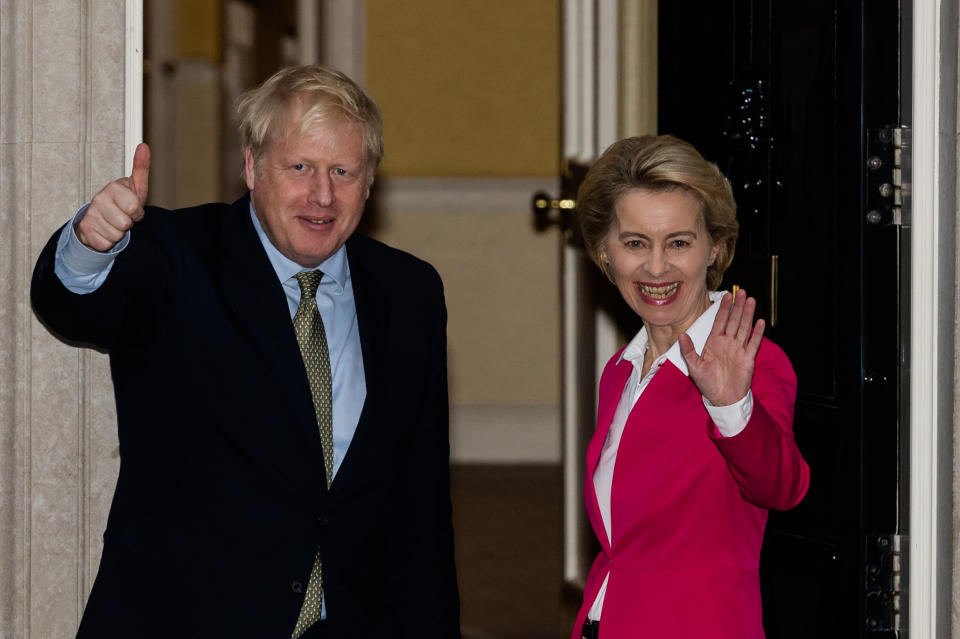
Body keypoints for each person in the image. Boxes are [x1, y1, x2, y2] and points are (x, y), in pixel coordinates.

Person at [31, 65, 460, 639]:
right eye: (300, 167)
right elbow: (74, 304)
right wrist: (89, 243)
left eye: (343, 171)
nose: (322, 195)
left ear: (370, 182)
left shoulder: (410, 293)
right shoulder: (177, 258)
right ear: (253, 167)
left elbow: (422, 504)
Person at [569, 135, 809, 639]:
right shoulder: (621, 368)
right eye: (635, 243)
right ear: (605, 252)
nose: (657, 267)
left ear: (714, 247)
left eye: (679, 242)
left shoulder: (751, 360)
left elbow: (782, 487)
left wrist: (731, 405)